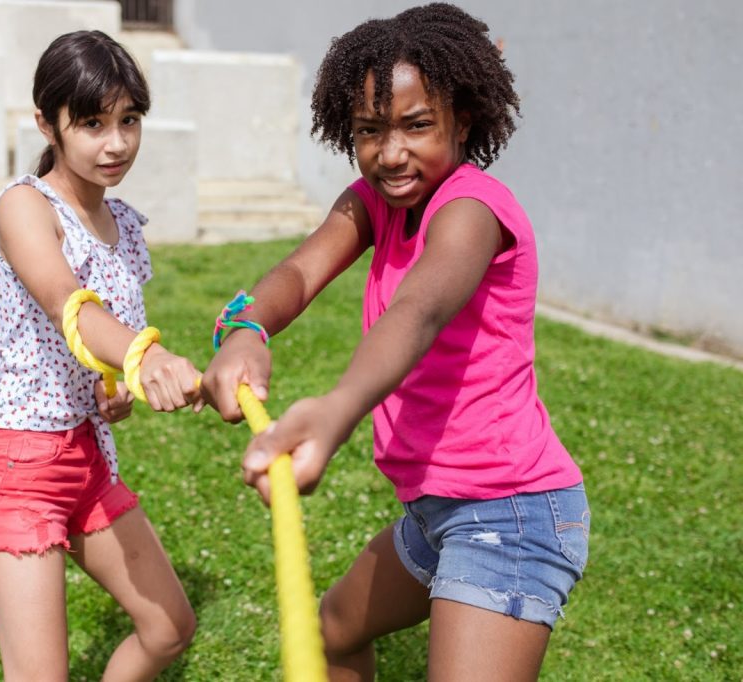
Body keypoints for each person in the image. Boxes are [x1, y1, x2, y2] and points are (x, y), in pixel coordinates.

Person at [201, 5, 589, 680]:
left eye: (416, 126)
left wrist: (336, 408)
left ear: (462, 121)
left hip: (510, 515)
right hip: (436, 513)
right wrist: (245, 327)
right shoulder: (375, 203)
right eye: (369, 131)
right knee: (334, 632)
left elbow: (419, 310)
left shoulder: (472, 210)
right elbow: (298, 271)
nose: (390, 152)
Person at [0, 30, 199, 681]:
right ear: (47, 123)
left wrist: (118, 387)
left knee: (170, 628)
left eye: (129, 120)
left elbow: (98, 347)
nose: (115, 142)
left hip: (87, 459)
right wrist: (145, 357)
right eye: (91, 123)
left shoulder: (122, 222)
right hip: (20, 462)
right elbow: (69, 299)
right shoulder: (24, 207)